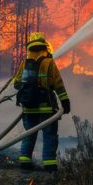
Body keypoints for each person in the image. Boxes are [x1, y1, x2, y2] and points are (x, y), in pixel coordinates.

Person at [12, 32, 70, 172]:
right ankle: (49, 165)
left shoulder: (25, 63)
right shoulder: (49, 62)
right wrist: (65, 101)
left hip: (28, 109)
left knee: (28, 135)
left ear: (30, 47)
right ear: (44, 46)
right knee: (49, 136)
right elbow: (58, 84)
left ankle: (25, 162)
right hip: (46, 109)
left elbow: (16, 83)